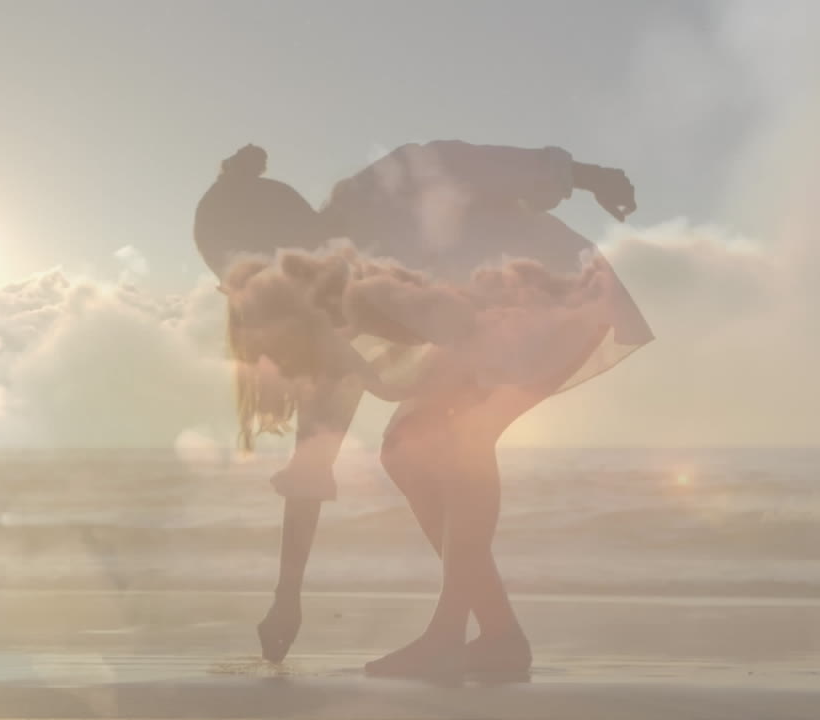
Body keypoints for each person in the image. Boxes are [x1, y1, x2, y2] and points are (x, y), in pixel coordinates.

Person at [193, 140, 653, 682]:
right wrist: (287, 599)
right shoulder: (332, 321)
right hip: (493, 331)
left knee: (453, 439)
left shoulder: (374, 196)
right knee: (404, 449)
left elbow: (462, 164)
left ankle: (450, 634)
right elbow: (312, 463)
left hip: (553, 292)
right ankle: (499, 635)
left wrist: (586, 174)